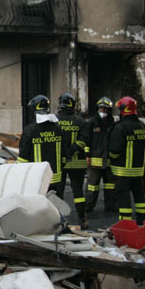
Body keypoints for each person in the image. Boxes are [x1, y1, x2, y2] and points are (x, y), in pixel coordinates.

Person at [18, 95, 68, 197]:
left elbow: (23, 155)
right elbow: (64, 151)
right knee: (56, 206)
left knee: (39, 207)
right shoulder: (57, 128)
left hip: (37, 178)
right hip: (57, 177)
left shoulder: (30, 130)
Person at [109, 96, 145, 224]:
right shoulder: (142, 125)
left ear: (123, 110)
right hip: (138, 171)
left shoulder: (121, 127)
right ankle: (141, 221)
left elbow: (115, 150)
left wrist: (112, 159)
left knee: (124, 199)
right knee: (139, 196)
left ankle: (125, 223)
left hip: (123, 171)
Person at [80, 96, 116, 217]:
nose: (103, 111)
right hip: (94, 161)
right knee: (92, 185)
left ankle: (110, 206)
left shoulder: (113, 124)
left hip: (109, 161)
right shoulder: (91, 123)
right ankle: (89, 206)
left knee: (110, 185)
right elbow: (86, 140)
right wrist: (87, 156)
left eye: (105, 109)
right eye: (101, 109)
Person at [57, 93, 88, 226]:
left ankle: (60, 219)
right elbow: (84, 140)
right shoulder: (80, 121)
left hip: (60, 162)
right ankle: (82, 219)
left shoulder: (54, 120)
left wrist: (64, 153)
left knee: (59, 191)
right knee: (78, 192)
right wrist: (73, 150)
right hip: (77, 163)